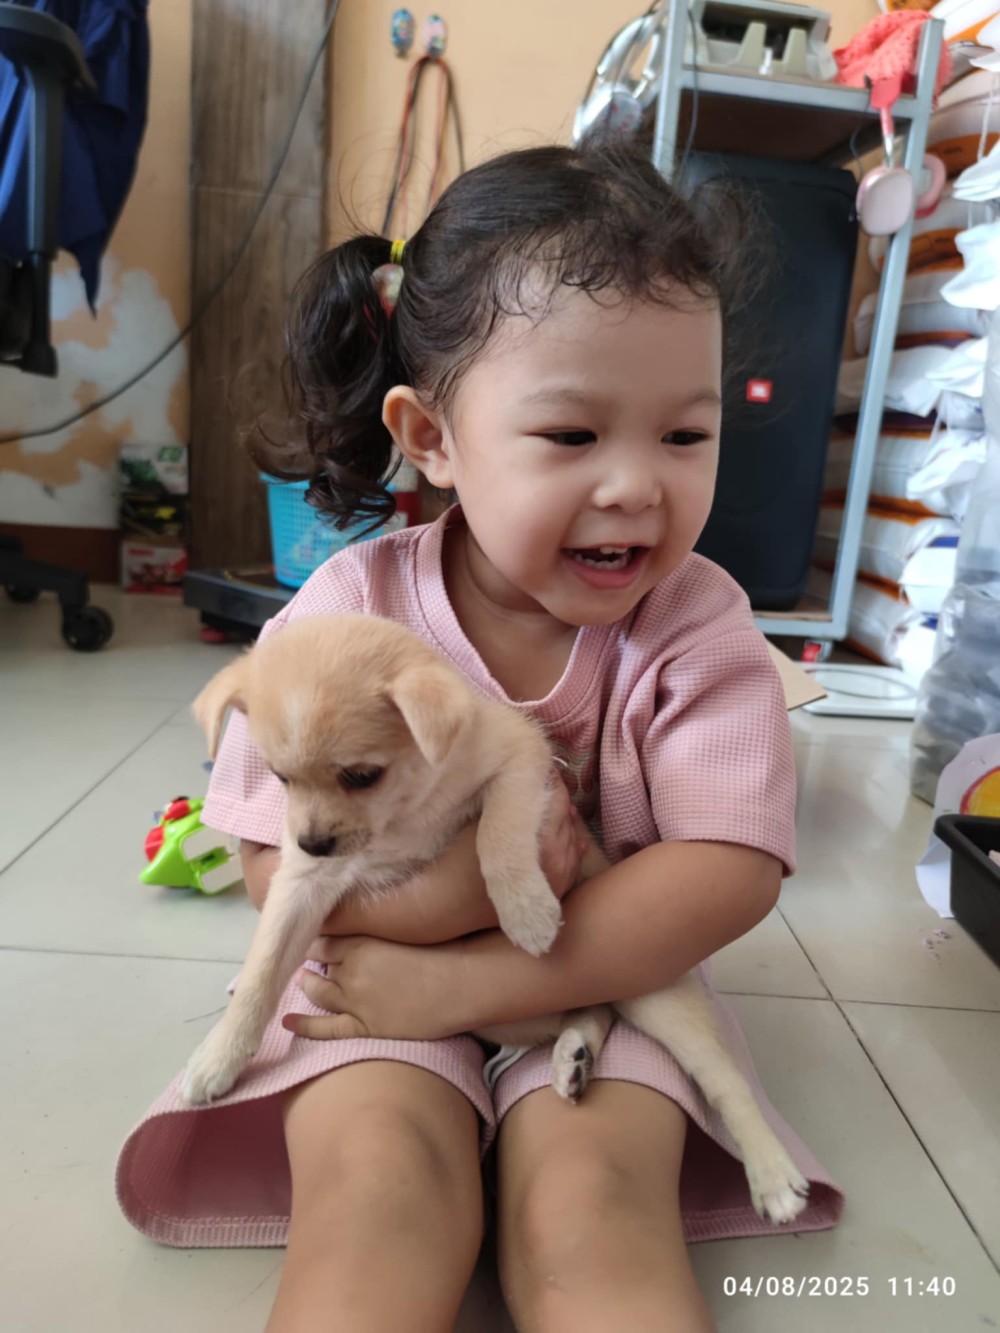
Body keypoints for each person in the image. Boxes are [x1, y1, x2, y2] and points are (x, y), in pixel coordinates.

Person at [116, 142, 844, 1332]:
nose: (636, 486)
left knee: (593, 1210)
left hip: (603, 978)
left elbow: (727, 870)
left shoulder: (700, 624)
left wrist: (473, 982)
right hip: (367, 980)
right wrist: (431, 933)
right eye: (571, 436)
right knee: (375, 1195)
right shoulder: (345, 610)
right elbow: (265, 858)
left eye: (685, 435)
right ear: (432, 437)